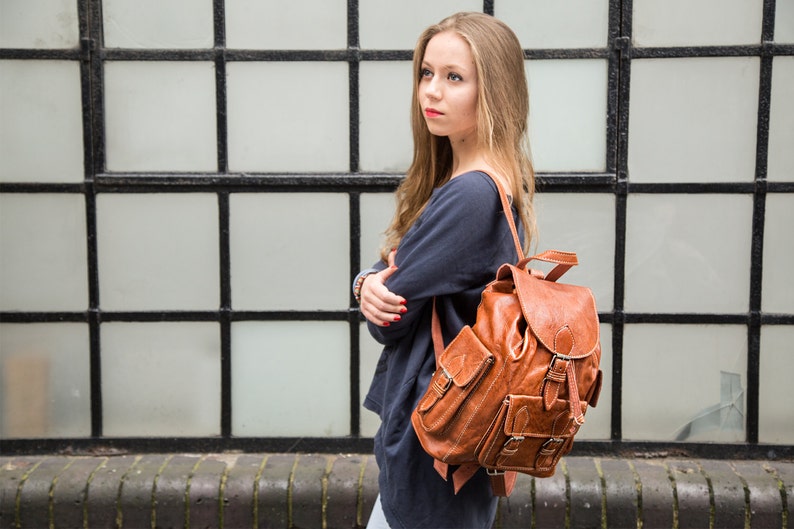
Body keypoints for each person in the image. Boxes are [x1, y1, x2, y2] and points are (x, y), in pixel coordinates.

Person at [353, 12, 536, 529]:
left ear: (494, 91)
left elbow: (387, 321)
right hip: (454, 446)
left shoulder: (472, 194)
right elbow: (395, 270)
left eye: (454, 77)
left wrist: (373, 286)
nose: (431, 91)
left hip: (434, 449)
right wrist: (367, 281)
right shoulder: (487, 181)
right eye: (426, 73)